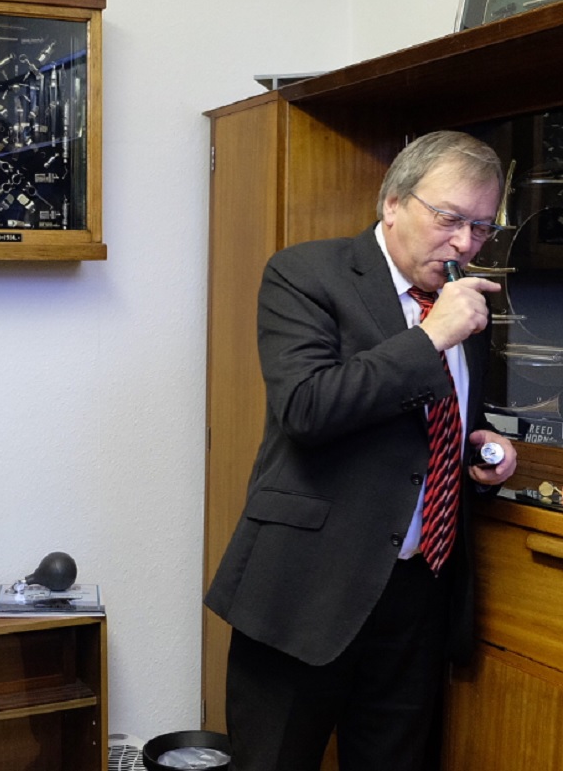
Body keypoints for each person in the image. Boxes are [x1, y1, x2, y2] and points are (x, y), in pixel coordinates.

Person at [204, 130, 519, 771]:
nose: (465, 244)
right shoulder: (305, 273)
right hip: (307, 589)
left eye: (482, 227)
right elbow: (308, 408)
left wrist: (478, 444)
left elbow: (434, 419)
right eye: (450, 219)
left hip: (415, 597)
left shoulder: (461, 304)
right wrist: (431, 337)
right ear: (394, 203)